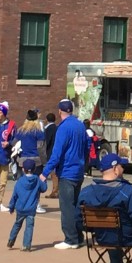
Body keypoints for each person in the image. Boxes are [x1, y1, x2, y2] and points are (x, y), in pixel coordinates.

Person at [40, 99, 88, 249]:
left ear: (60, 111)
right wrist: (84, 165)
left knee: (67, 207)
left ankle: (71, 239)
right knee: (75, 206)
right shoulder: (80, 125)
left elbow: (57, 153)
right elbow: (87, 147)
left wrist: (45, 172)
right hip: (78, 171)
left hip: (67, 172)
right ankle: (78, 237)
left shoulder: (63, 128)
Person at [7, 159, 47, 251]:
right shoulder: (37, 180)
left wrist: (11, 207)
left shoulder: (20, 181)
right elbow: (44, 188)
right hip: (31, 209)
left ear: (23, 169)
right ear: (34, 169)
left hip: (20, 208)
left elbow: (15, 195)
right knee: (29, 227)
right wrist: (43, 181)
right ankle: (26, 245)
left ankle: (11, 240)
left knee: (17, 224)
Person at [44, 113, 59, 198]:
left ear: (47, 119)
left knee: (53, 174)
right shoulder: (57, 128)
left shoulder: (48, 129)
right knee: (56, 173)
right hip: (57, 152)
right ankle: (57, 190)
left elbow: (47, 141)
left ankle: (55, 191)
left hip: (50, 153)